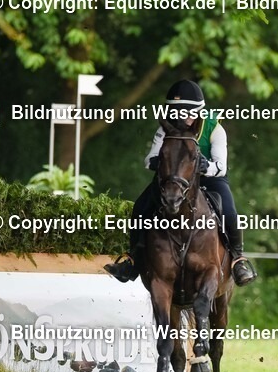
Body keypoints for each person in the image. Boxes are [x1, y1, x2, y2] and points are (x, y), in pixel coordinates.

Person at [105, 79, 257, 286]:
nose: (182, 117)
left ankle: (238, 259)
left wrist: (204, 166)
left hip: (209, 179)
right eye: (177, 112)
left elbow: (221, 165)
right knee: (140, 208)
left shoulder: (214, 128)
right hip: (174, 181)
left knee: (230, 212)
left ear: (199, 112)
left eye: (187, 112)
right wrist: (163, 161)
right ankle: (133, 259)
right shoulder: (165, 128)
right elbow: (148, 159)